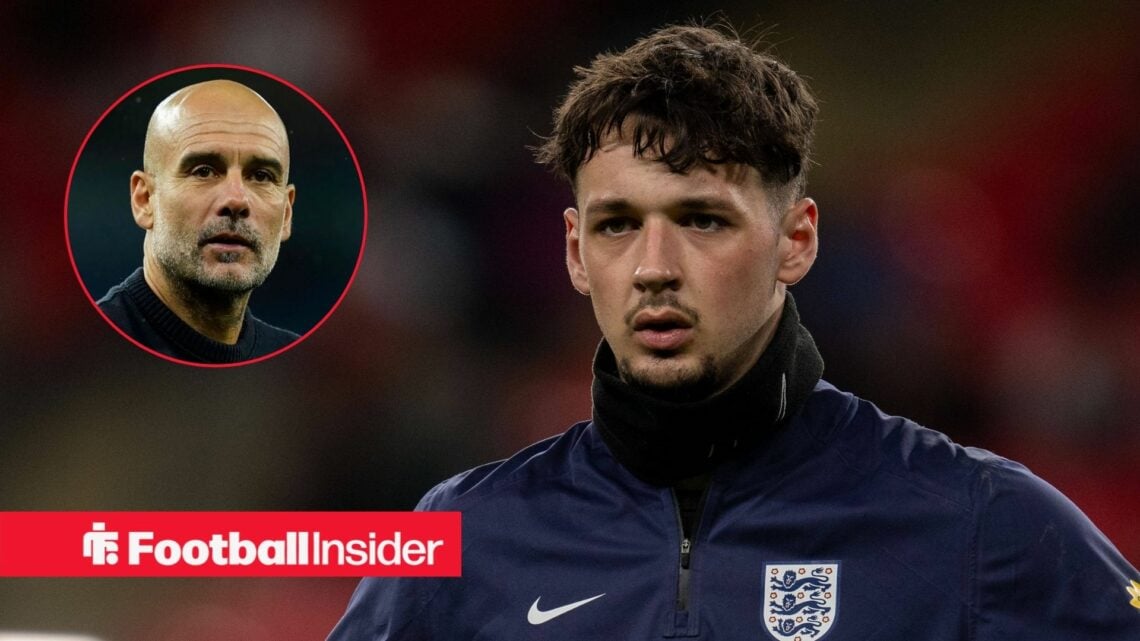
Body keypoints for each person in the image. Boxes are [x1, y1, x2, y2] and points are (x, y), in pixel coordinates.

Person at [328, 23, 1139, 639]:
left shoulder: (977, 520)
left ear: (796, 241)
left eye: (703, 219)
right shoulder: (462, 538)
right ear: (576, 252)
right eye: (617, 225)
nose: (654, 267)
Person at [97, 79, 298, 364]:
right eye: (203, 171)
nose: (236, 200)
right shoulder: (78, 362)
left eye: (262, 176)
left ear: (286, 214)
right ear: (144, 200)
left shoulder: (300, 369)